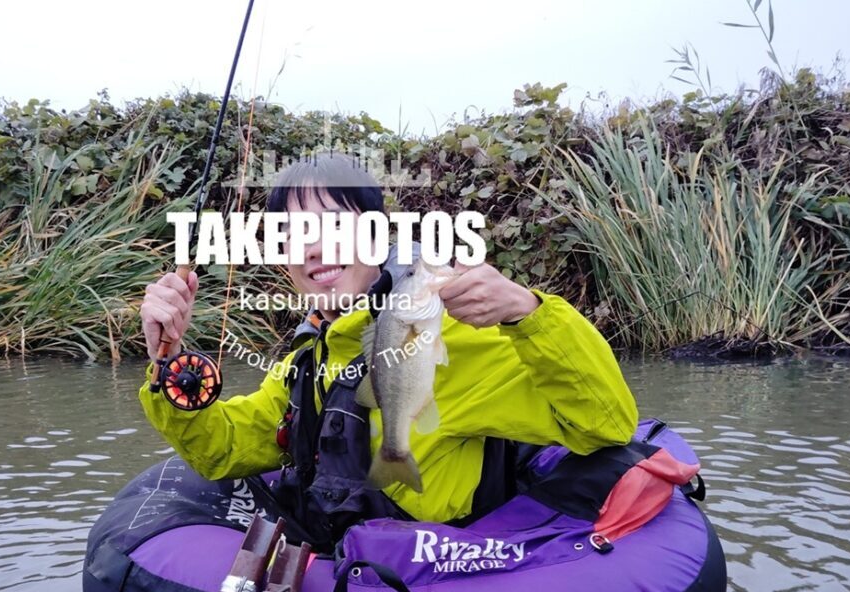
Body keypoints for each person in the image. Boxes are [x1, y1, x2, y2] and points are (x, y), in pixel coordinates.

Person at [138, 153, 637, 550]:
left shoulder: (453, 334)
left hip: (433, 590)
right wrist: (166, 361)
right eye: (291, 234)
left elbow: (605, 424)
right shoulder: (308, 357)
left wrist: (528, 311)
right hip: (339, 567)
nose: (312, 249)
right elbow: (221, 450)